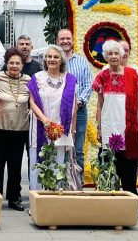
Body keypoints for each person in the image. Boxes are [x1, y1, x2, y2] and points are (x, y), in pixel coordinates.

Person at [93, 40, 138, 215]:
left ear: (122, 55)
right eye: (110, 54)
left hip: (128, 127)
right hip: (109, 126)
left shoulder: (132, 74)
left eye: (117, 53)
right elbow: (100, 103)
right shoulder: (102, 76)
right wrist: (99, 127)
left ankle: (132, 203)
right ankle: (110, 204)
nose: (114, 56)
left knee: (128, 167)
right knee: (109, 165)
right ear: (105, 56)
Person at [27, 45, 77, 190]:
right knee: (37, 163)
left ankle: (54, 197)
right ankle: (36, 197)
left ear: (61, 60)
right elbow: (32, 102)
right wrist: (44, 120)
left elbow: (74, 107)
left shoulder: (70, 79)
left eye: (56, 57)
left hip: (60, 129)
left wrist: (72, 130)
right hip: (39, 126)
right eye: (49, 57)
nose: (52, 59)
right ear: (45, 59)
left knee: (57, 164)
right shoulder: (37, 78)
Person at [0, 48, 30, 209]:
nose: (14, 66)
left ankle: (14, 198)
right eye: (11, 63)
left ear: (22, 65)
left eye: (17, 63)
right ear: (6, 64)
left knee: (15, 166)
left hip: (20, 130)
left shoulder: (28, 80)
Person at [57, 28, 92, 184]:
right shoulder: (54, 60)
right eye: (62, 39)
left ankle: (78, 184)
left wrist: (77, 103)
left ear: (72, 40)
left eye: (68, 38)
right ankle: (60, 183)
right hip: (57, 111)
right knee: (59, 147)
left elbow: (88, 85)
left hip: (79, 111)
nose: (65, 41)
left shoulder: (82, 62)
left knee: (77, 149)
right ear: (57, 41)